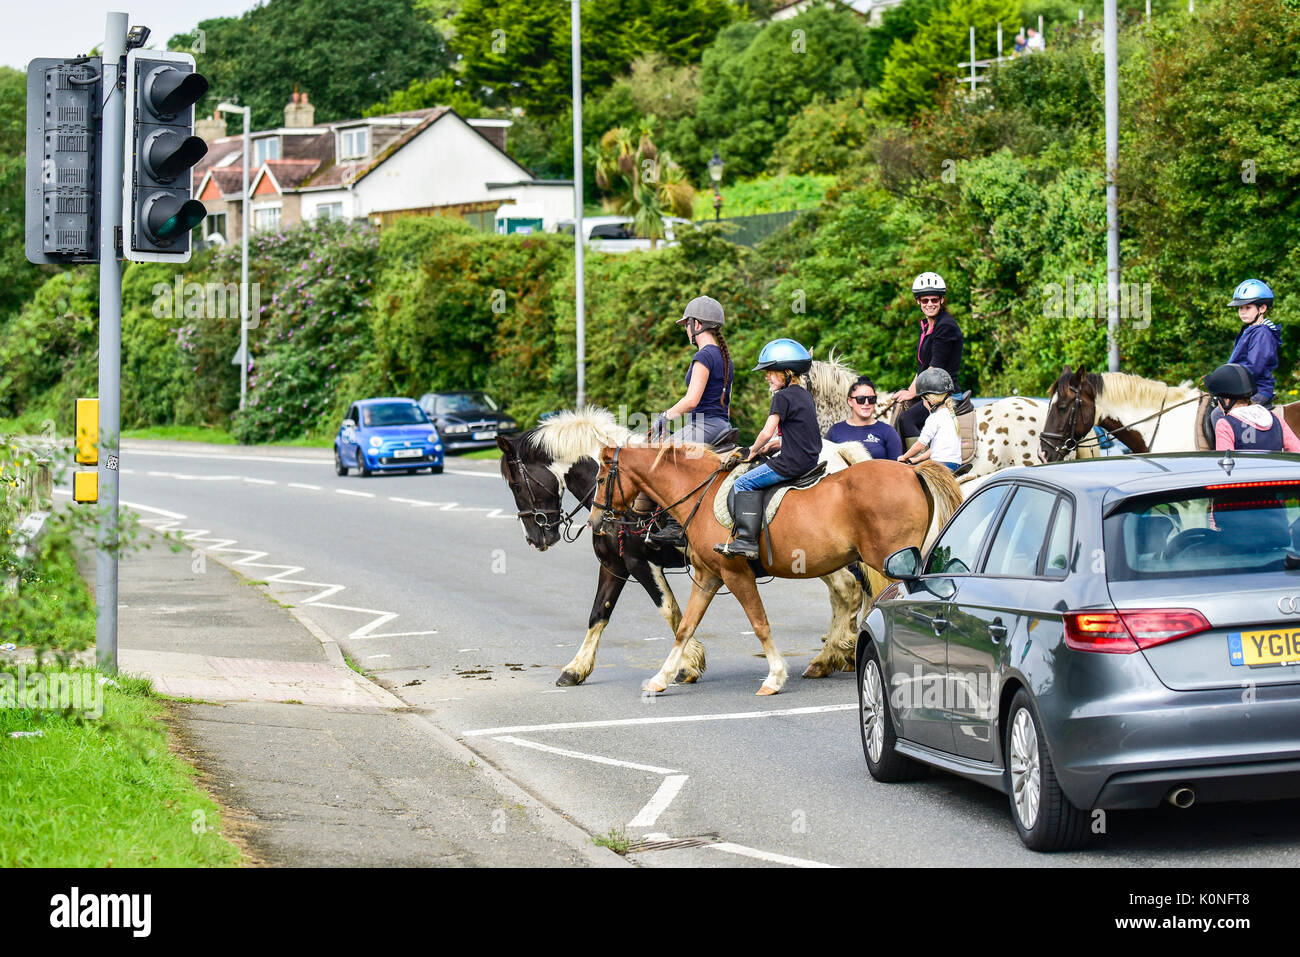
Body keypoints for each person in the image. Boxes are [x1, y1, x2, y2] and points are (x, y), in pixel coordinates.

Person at [715, 339, 821, 560]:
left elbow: (766, 432)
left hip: (790, 464)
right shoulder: (804, 395)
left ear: (788, 373)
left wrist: (753, 450)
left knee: (742, 482)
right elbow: (798, 435)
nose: (767, 377)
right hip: (809, 460)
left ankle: (747, 541)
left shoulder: (781, 397)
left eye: (771, 372)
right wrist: (774, 445)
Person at [643, 295, 735, 545]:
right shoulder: (725, 357)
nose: (685, 330)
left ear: (696, 325)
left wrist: (663, 417)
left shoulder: (704, 357)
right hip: (721, 425)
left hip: (703, 426)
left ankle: (674, 524)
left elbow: (692, 400)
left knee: (657, 459)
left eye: (686, 325)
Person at [895, 272, 964, 444]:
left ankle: (921, 466)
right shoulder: (926, 326)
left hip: (945, 394)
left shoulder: (946, 326)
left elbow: (934, 369)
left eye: (934, 300)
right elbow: (922, 367)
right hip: (929, 390)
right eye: (925, 300)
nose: (930, 304)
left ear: (941, 300)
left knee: (907, 419)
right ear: (918, 301)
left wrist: (912, 392)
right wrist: (909, 391)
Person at [1206, 363, 1300, 452]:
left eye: (1218, 400)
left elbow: (1225, 464)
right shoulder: (1276, 419)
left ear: (1226, 400)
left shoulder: (1224, 424)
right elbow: (1297, 452)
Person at [1225, 279, 1281, 406]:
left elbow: (1254, 368)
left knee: (1220, 414)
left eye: (1247, 307)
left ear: (1262, 308)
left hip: (1258, 389)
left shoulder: (1262, 333)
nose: (1243, 312)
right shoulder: (1248, 330)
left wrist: (1229, 380)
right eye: (1240, 308)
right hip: (1245, 388)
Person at [898, 368, 963, 472]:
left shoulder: (934, 418)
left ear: (931, 401)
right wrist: (918, 459)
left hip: (940, 466)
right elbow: (937, 447)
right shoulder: (951, 415)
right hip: (955, 465)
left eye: (923, 400)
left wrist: (904, 457)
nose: (923, 404)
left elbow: (920, 445)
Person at [824, 375, 902, 460]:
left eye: (871, 399)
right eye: (861, 399)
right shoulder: (835, 431)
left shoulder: (888, 431)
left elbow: (897, 468)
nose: (866, 403)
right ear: (850, 401)